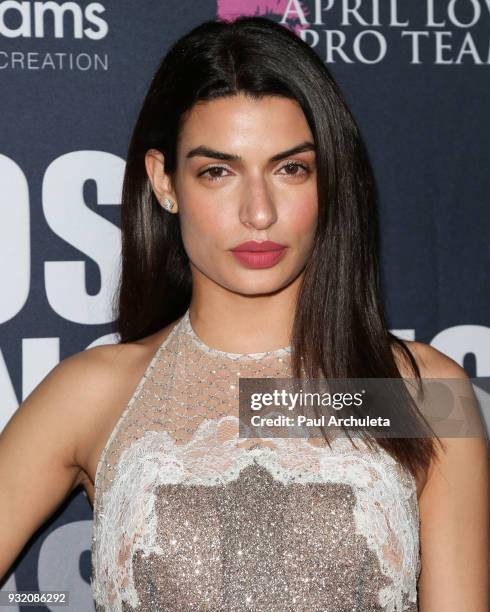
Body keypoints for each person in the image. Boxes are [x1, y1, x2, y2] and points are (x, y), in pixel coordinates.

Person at [0, 15, 488, 612]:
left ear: (329, 178)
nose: (259, 212)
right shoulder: (94, 393)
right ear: (164, 182)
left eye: (290, 168)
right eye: (218, 172)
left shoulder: (422, 394)